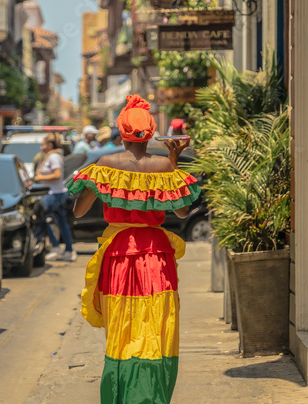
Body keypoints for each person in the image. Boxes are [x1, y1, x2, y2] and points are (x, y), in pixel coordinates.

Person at [67, 95, 201, 403]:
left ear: (122, 132)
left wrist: (94, 186)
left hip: (119, 257)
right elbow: (181, 213)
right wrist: (173, 162)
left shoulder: (104, 166)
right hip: (157, 257)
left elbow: (78, 211)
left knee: (122, 331)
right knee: (157, 330)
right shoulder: (164, 167)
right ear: (151, 132)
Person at [34, 132, 76, 262]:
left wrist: (40, 178)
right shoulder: (49, 157)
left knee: (40, 214)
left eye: (43, 144)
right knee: (61, 222)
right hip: (54, 193)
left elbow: (57, 175)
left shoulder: (54, 157)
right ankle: (68, 250)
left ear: (50, 145)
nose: (41, 147)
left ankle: (55, 246)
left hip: (55, 194)